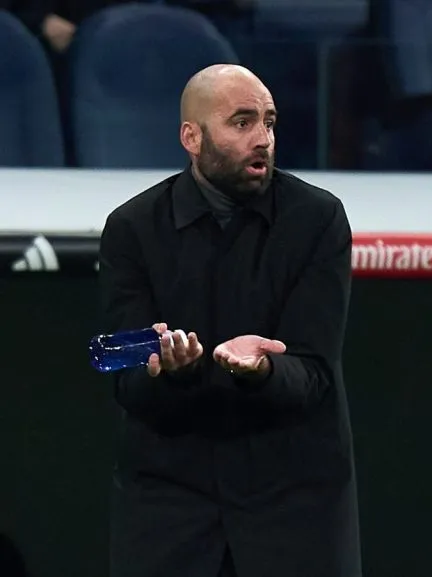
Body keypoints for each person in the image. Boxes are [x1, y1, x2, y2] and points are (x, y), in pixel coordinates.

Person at [97, 64, 361, 577]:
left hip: (293, 499)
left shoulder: (317, 219)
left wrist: (261, 371)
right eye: (242, 123)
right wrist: (170, 368)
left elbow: (314, 374)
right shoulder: (131, 229)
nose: (263, 138)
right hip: (168, 500)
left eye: (269, 122)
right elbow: (125, 377)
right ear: (191, 137)